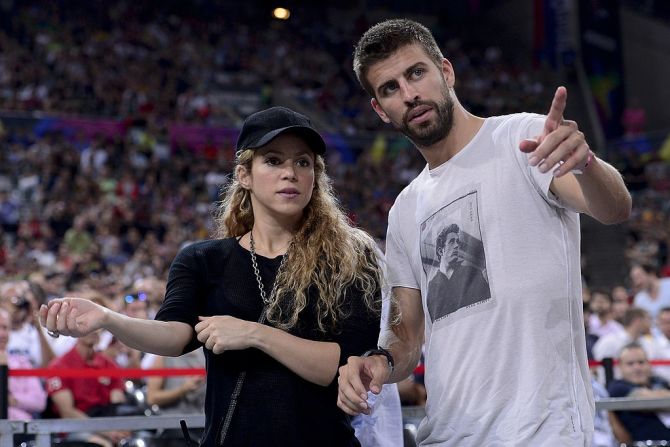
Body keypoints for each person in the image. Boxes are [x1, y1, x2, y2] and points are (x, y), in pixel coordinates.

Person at [336, 18, 632, 446]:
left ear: (446, 72)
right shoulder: (404, 210)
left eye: (416, 73)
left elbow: (615, 207)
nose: (409, 93)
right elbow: (407, 336)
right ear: (381, 110)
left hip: (543, 431)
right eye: (390, 88)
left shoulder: (522, 138)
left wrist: (586, 164)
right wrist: (380, 361)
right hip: (449, 435)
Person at [40, 106, 382, 446]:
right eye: (273, 160)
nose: (290, 172)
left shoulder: (348, 259)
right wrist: (108, 318)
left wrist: (254, 333)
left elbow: (340, 365)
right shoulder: (202, 259)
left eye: (302, 162)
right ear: (244, 175)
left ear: (314, 177)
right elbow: (174, 335)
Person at [607, 343, 670, 442]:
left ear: (649, 364)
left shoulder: (658, 380)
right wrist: (661, 395)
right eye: (630, 364)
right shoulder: (617, 387)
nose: (637, 368)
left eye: (641, 362)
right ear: (620, 367)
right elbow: (645, 400)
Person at [426, 223, 489, 321]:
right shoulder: (432, 287)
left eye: (457, 242)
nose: (457, 245)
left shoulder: (473, 272)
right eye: (452, 242)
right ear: (440, 251)